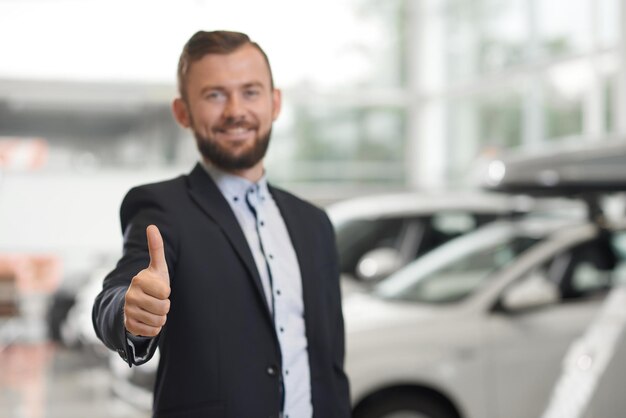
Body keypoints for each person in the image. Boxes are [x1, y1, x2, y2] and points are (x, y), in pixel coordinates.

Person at [92, 30, 351, 418]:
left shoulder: (313, 224)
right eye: (214, 95)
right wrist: (130, 314)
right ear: (183, 112)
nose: (235, 110)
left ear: (274, 102)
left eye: (250, 92)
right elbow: (114, 296)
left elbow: (329, 362)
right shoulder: (161, 209)